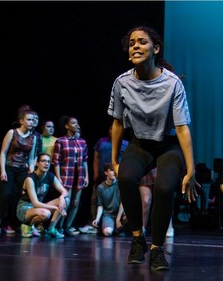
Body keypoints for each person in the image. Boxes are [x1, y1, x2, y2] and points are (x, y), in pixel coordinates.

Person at [107, 25, 200, 271]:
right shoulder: (122, 83)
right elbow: (117, 123)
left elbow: (182, 128)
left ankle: (157, 249)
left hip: (168, 144)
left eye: (142, 42)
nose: (136, 46)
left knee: (164, 188)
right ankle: (138, 238)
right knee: (126, 178)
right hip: (140, 143)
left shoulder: (172, 83)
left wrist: (191, 170)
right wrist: (114, 160)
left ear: (155, 48)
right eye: (132, 43)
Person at [0, 105, 38, 236]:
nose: (31, 122)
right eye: (29, 119)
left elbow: (32, 158)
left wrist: (31, 173)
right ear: (21, 121)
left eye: (33, 120)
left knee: (20, 197)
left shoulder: (34, 137)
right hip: (9, 167)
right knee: (6, 195)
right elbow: (3, 153)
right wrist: (3, 171)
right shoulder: (12, 133)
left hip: (23, 170)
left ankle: (16, 224)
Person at [79, 124, 128, 234]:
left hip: (118, 176)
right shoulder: (102, 142)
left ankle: (118, 224)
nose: (113, 131)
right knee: (95, 199)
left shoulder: (125, 143)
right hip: (102, 174)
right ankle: (93, 223)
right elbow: (96, 156)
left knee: (119, 198)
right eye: (111, 129)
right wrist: (96, 172)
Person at [17, 153, 69, 238]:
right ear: (37, 163)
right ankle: (27, 225)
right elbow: (35, 203)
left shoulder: (50, 176)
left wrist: (62, 197)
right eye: (43, 161)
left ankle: (51, 229)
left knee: (66, 200)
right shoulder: (30, 179)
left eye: (48, 161)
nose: (46, 164)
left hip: (38, 208)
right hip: (25, 208)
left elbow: (64, 191)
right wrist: (56, 208)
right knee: (46, 214)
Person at [52, 115, 89, 236]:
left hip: (79, 175)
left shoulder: (82, 141)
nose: (77, 125)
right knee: (66, 201)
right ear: (67, 126)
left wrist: (86, 176)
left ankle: (68, 226)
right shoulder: (61, 141)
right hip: (67, 175)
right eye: (73, 123)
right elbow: (56, 161)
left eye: (77, 123)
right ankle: (59, 226)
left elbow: (84, 160)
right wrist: (58, 177)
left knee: (76, 202)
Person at [92, 163, 127, 237]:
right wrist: (97, 219)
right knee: (107, 232)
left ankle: (119, 227)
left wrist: (118, 219)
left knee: (128, 216)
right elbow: (100, 205)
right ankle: (115, 229)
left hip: (120, 214)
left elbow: (123, 203)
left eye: (115, 170)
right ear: (106, 172)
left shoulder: (120, 184)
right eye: (111, 170)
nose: (114, 172)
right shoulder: (101, 187)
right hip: (108, 215)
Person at [139, 168, 174, 237]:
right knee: (146, 200)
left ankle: (168, 225)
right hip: (145, 165)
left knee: (163, 194)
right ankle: (142, 228)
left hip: (159, 165)